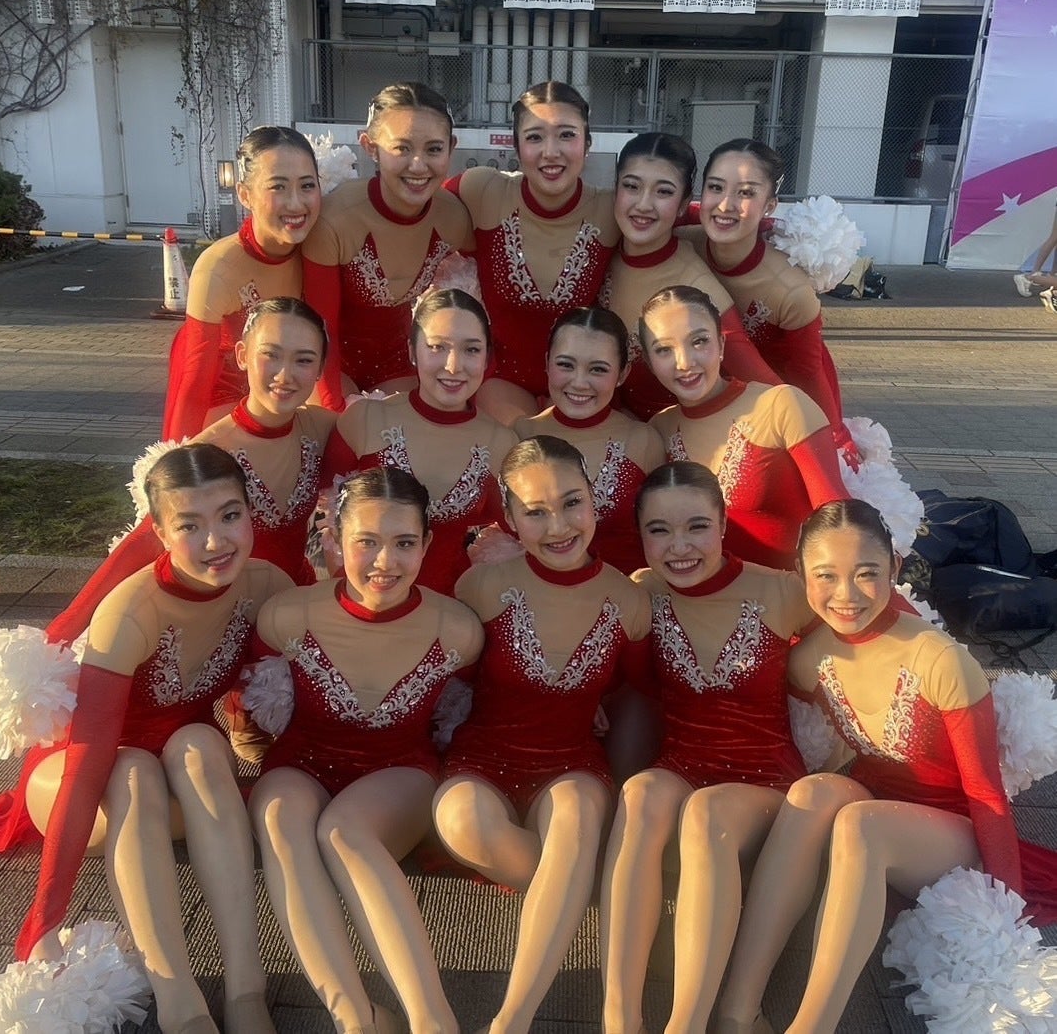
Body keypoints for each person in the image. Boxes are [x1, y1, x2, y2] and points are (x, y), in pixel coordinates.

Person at [0, 445, 293, 1034]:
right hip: (79, 776)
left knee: (199, 744)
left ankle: (246, 989)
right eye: (189, 525)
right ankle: (180, 1001)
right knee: (130, 770)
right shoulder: (130, 611)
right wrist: (46, 915)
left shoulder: (266, 585)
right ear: (158, 533)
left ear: (250, 512)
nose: (216, 542)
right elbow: (87, 767)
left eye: (230, 515)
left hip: (183, 772)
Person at [712, 499, 1057, 1034]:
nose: (846, 595)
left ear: (894, 568)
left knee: (861, 823)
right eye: (826, 575)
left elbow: (986, 794)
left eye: (866, 573)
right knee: (812, 793)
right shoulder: (809, 661)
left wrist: (1002, 913)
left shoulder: (940, 659)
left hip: (954, 829)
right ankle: (738, 1012)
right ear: (801, 574)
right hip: (877, 806)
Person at [249, 466, 483, 1034]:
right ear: (333, 538)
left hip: (399, 769)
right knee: (279, 817)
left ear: (428, 543)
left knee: (343, 831)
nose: (385, 562)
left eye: (404, 543)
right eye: (367, 542)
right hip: (303, 760)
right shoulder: (287, 614)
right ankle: (355, 1018)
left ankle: (433, 1022)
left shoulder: (458, 629)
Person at [433, 435, 651, 1033]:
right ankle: (585, 886)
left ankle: (511, 1021)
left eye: (572, 502)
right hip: (484, 756)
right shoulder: (482, 588)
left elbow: (640, 690)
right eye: (535, 512)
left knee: (575, 816)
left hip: (572, 762)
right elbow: (443, 671)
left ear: (594, 500)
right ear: (509, 518)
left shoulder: (628, 601)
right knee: (462, 823)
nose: (558, 526)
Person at [600, 462, 814, 1034]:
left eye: (696, 526)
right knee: (640, 794)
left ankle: (686, 1025)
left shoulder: (783, 590)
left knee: (707, 811)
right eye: (660, 531)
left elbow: (875, 613)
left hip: (764, 780)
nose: (679, 547)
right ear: (641, 536)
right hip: (681, 763)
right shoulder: (644, 592)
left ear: (722, 525)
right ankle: (621, 1018)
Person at [47, 298, 336, 650]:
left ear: (320, 368)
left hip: (295, 604)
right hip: (230, 617)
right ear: (242, 355)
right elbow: (145, 542)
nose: (284, 375)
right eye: (270, 355)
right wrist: (61, 633)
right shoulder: (208, 451)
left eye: (303, 360)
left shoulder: (323, 428)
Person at [320, 288, 516, 595]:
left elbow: (522, 529)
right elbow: (322, 506)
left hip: (450, 605)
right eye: (437, 347)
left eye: (471, 349)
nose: (453, 366)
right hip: (363, 600)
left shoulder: (501, 443)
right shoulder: (366, 418)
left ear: (487, 358)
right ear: (412, 351)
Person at [445, 81, 618, 423]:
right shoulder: (483, 190)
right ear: (517, 145)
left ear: (587, 144)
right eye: (535, 137)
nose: (550, 152)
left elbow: (680, 220)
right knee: (525, 446)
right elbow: (417, 208)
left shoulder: (611, 209)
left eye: (566, 135)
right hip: (502, 382)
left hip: (584, 384)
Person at [642, 286, 850, 570]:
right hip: (695, 594)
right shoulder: (659, 430)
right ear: (649, 363)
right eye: (664, 350)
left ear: (721, 345)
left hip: (789, 592)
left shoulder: (781, 404)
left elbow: (840, 520)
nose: (685, 362)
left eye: (699, 341)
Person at [303, 82, 476, 411]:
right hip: (328, 358)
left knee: (413, 427)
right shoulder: (336, 218)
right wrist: (335, 409)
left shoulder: (454, 218)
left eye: (434, 149)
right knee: (342, 427)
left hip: (398, 360)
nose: (418, 165)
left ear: (451, 148)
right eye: (402, 149)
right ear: (370, 147)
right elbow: (319, 329)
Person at [683, 139, 851, 453]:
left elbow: (809, 377)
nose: (725, 205)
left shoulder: (790, 289)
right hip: (693, 396)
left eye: (746, 193)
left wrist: (837, 445)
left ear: (770, 205)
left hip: (770, 412)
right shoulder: (682, 243)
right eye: (715, 187)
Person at [162, 126, 323, 439]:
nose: (296, 204)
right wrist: (177, 458)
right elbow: (195, 382)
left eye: (307, 186)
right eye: (278, 187)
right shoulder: (219, 267)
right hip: (224, 394)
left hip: (294, 385)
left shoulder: (323, 248)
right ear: (245, 194)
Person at [605, 132, 778, 420]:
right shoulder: (604, 246)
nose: (643, 204)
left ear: (684, 203)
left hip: (673, 438)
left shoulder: (696, 286)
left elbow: (771, 392)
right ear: (616, 189)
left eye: (663, 192)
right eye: (632, 186)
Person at [515, 307, 664, 574]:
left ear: (622, 374)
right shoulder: (520, 435)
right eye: (566, 365)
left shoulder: (643, 440)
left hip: (625, 592)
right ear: (547, 362)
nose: (580, 383)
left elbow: (662, 532)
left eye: (598, 369)